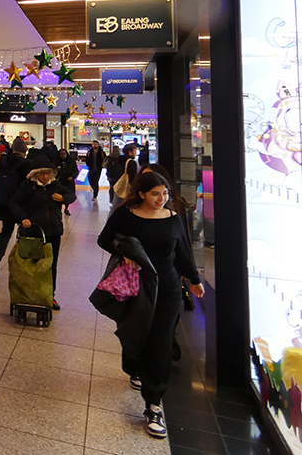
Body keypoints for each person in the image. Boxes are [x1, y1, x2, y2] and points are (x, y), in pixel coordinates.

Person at [97, 171, 204, 439]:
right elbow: (104, 239)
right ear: (142, 194)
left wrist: (193, 279)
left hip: (167, 289)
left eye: (165, 193)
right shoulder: (126, 215)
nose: (162, 198)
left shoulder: (173, 219)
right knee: (135, 332)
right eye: (155, 193)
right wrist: (124, 253)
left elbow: (183, 252)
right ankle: (134, 367)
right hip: (136, 286)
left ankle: (154, 404)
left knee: (161, 342)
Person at [8, 154, 76, 310]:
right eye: (42, 173)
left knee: (51, 265)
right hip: (34, 233)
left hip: (53, 232)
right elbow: (14, 202)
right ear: (35, 174)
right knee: (32, 264)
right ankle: (29, 295)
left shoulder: (55, 185)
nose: (45, 176)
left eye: (48, 173)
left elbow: (71, 195)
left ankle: (49, 295)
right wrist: (23, 218)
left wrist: (64, 199)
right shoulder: (28, 186)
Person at [0, 136, 30, 277]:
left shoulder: (3, 161)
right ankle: (22, 265)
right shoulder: (25, 164)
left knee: (6, 231)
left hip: (4, 202)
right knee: (25, 233)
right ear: (24, 151)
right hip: (19, 204)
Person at [112, 143, 141, 208]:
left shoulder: (118, 160)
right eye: (134, 151)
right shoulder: (131, 162)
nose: (135, 153)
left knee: (115, 207)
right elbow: (132, 177)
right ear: (130, 152)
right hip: (126, 187)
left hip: (118, 185)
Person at [55, 148, 79, 215]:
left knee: (68, 195)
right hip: (59, 182)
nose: (63, 155)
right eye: (61, 154)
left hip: (69, 182)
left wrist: (72, 177)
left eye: (64, 154)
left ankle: (66, 208)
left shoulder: (71, 161)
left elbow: (75, 171)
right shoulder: (56, 161)